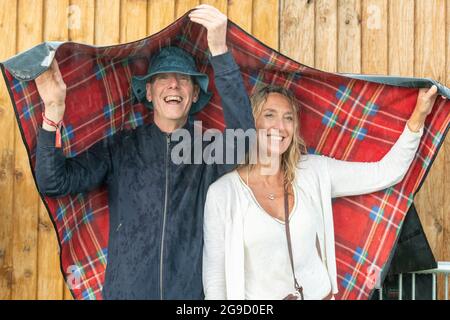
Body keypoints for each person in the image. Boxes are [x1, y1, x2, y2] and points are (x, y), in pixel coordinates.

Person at [34, 5, 254, 299]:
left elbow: (247, 143)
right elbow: (54, 182)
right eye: (164, 77)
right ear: (148, 93)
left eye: (184, 78)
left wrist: (219, 50)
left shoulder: (208, 149)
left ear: (195, 94)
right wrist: (53, 111)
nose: (174, 83)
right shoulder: (119, 147)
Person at [202, 84, 440, 300]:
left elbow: (385, 172)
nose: (280, 126)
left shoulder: (313, 172)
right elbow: (215, 278)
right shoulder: (223, 194)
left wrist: (419, 114)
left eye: (288, 118)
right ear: (251, 123)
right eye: (269, 115)